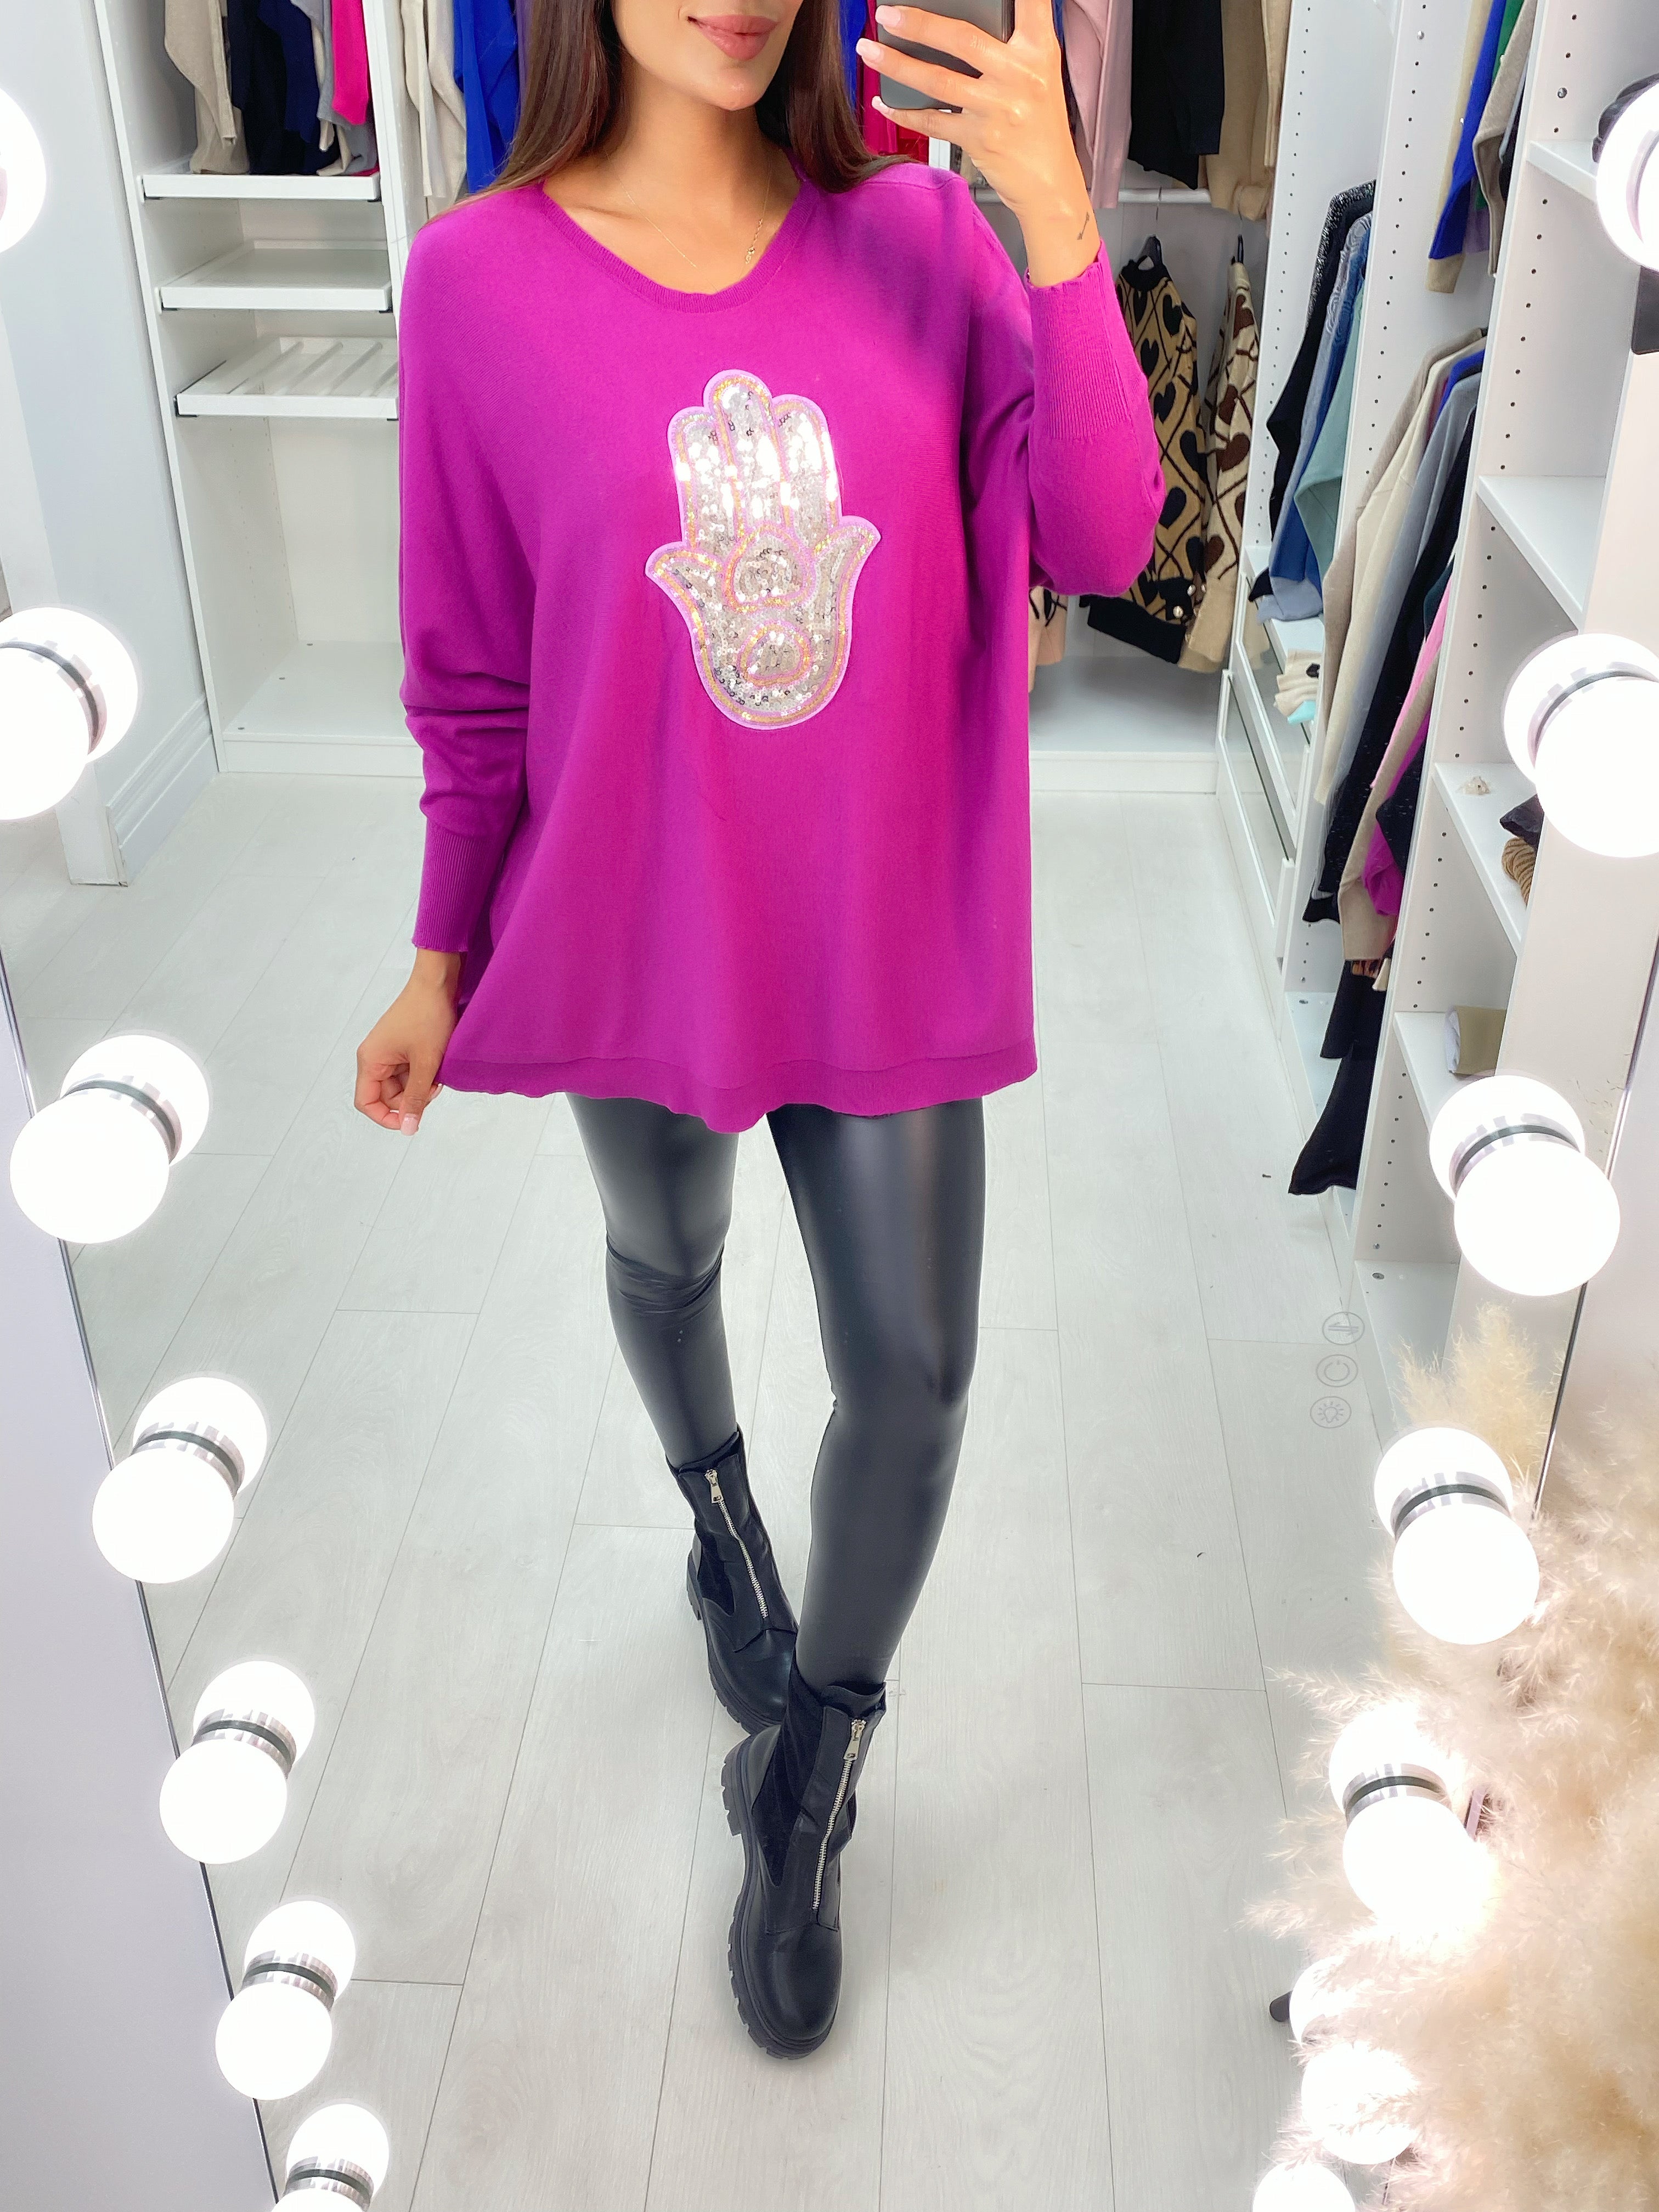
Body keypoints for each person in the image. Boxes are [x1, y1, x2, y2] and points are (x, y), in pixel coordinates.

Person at [354, 0, 1160, 2059]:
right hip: (634, 918)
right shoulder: (477, 286)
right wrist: (442, 952)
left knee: (916, 1380)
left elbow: (1105, 540)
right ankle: (720, 1522)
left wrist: (1059, 221)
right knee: (670, 1254)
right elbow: (476, 679)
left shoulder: (926, 241)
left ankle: (804, 1781)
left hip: (884, 921)